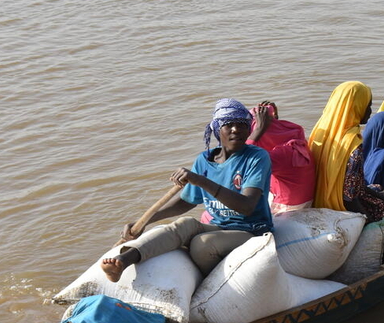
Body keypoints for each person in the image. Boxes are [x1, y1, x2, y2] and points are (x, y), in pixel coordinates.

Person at [103, 98, 273, 280]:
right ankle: (122, 261)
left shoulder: (256, 158)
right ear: (217, 129)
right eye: (228, 124)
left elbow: (246, 206)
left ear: (249, 128)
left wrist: (200, 180)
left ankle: (213, 285)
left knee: (202, 244)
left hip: (252, 230)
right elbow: (185, 201)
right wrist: (145, 220)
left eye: (242, 124)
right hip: (220, 226)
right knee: (184, 224)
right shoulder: (204, 160)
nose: (236, 129)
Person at [308, 81, 384, 235]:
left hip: (323, 202)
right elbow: (349, 198)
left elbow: (346, 182)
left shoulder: (319, 133)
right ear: (356, 106)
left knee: (379, 189)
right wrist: (375, 225)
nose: (370, 110)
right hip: (344, 208)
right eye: (368, 105)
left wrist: (379, 196)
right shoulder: (352, 143)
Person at [246, 101, 315, 214]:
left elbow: (242, 162)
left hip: (288, 208)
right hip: (298, 200)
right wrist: (273, 119)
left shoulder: (280, 155)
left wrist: (257, 131)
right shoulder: (293, 140)